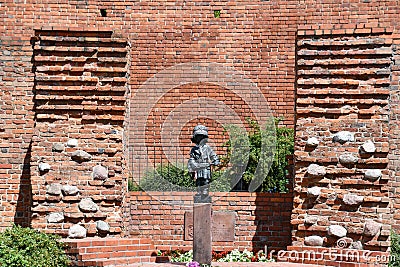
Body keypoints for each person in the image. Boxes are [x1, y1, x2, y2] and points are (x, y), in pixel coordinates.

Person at [188, 125, 220, 203]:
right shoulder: (194, 149)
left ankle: (205, 191)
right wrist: (192, 166)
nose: (200, 139)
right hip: (198, 166)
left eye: (202, 137)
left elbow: (213, 155)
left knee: (205, 180)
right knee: (199, 180)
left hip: (206, 166)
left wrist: (215, 160)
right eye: (198, 137)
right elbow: (191, 158)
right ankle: (199, 191)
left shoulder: (207, 148)